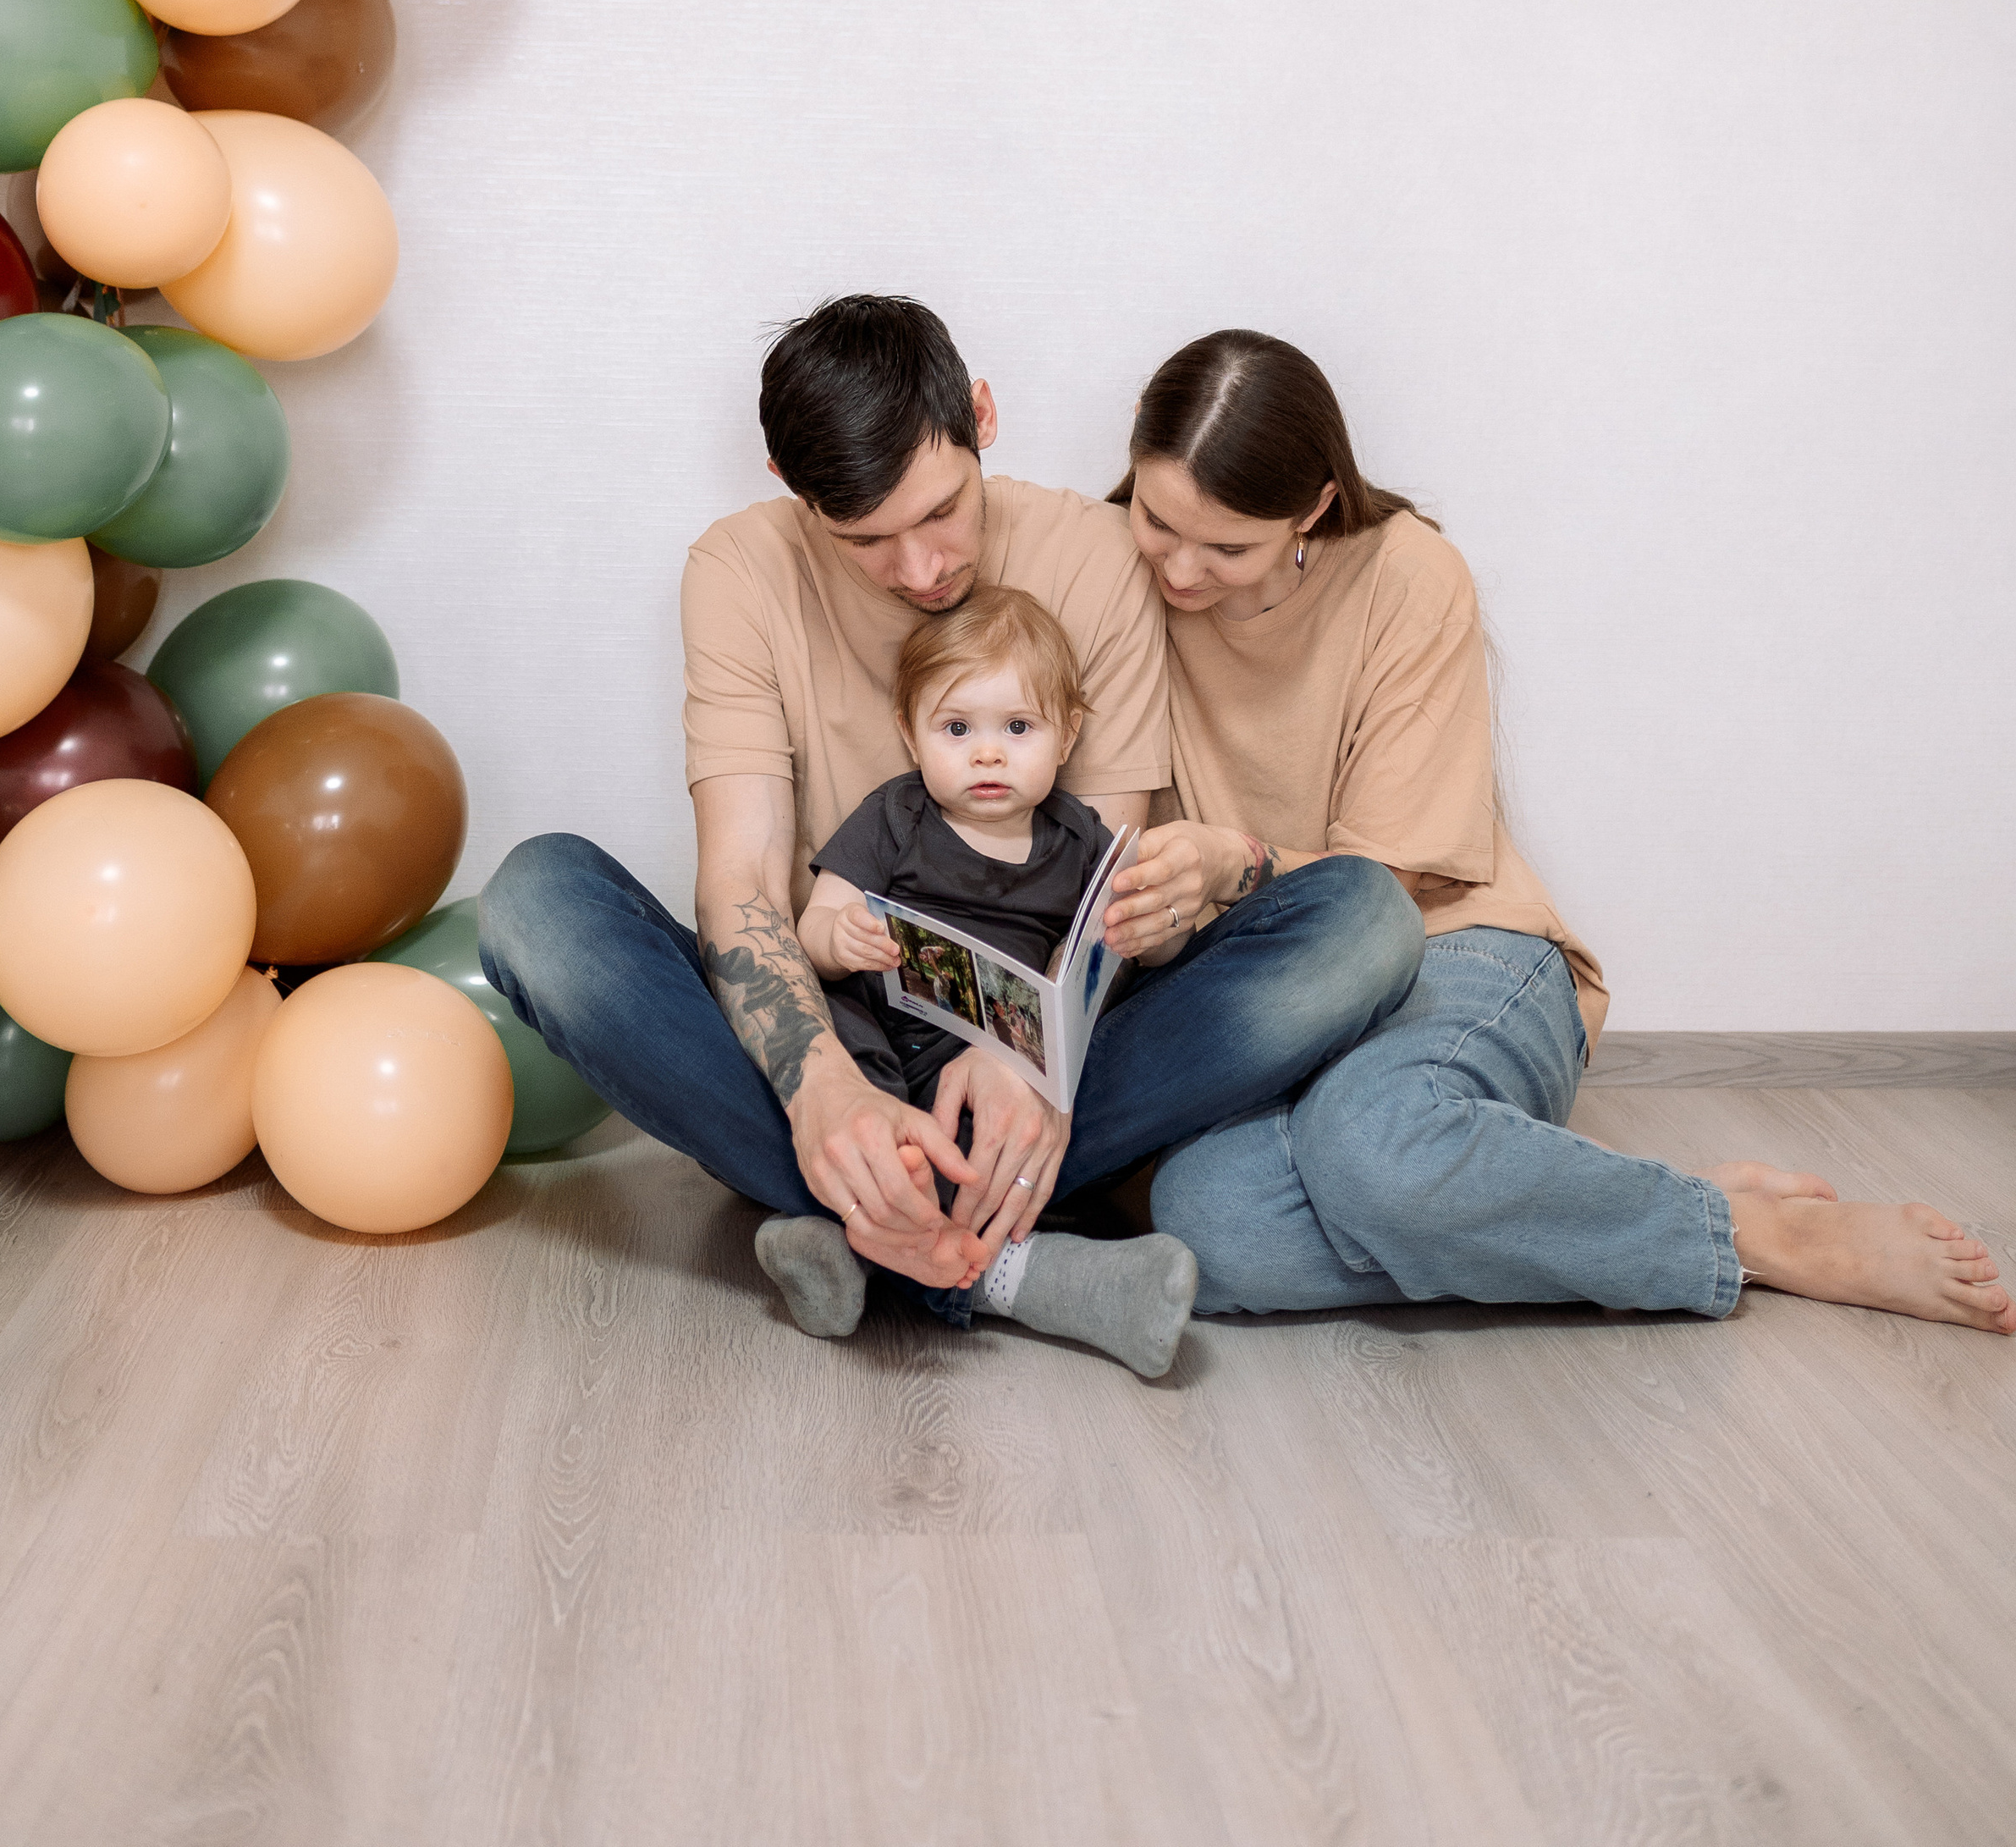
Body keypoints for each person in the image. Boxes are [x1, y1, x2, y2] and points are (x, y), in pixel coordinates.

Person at [478, 296, 1424, 1364]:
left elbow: (1090, 889)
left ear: (980, 415)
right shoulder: (737, 570)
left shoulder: (1097, 554)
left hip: (1052, 1037)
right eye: (867, 540)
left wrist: (1016, 1057)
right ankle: (995, 1256)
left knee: (1362, 918)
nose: (922, 568)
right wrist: (821, 1087)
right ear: (796, 492)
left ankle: (867, 1227)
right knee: (535, 898)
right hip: (843, 1021)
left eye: (942, 511)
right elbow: (741, 881)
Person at [1097, 329, 2016, 1337]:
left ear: (1313, 506)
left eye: (1227, 546)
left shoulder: (1409, 575)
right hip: (1262, 1001)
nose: (1181, 569)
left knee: (1370, 1146)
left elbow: (1386, 887)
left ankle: (1748, 1236)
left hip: (1453, 947)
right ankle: (1552, 1196)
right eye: (1156, 521)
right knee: (1209, 1223)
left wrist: (1240, 861)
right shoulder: (1101, 576)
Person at [787, 583, 1198, 1376]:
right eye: (957, 728)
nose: (987, 753)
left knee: (1090, 1062)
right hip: (886, 1057)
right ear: (910, 733)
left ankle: (851, 1243)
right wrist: (838, 935)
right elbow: (811, 930)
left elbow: (1116, 960)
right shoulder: (896, 817)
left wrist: (1158, 930)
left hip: (1004, 1089)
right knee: (836, 1022)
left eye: (1018, 727)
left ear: (1067, 732)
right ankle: (908, 1225)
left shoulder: (1080, 839)